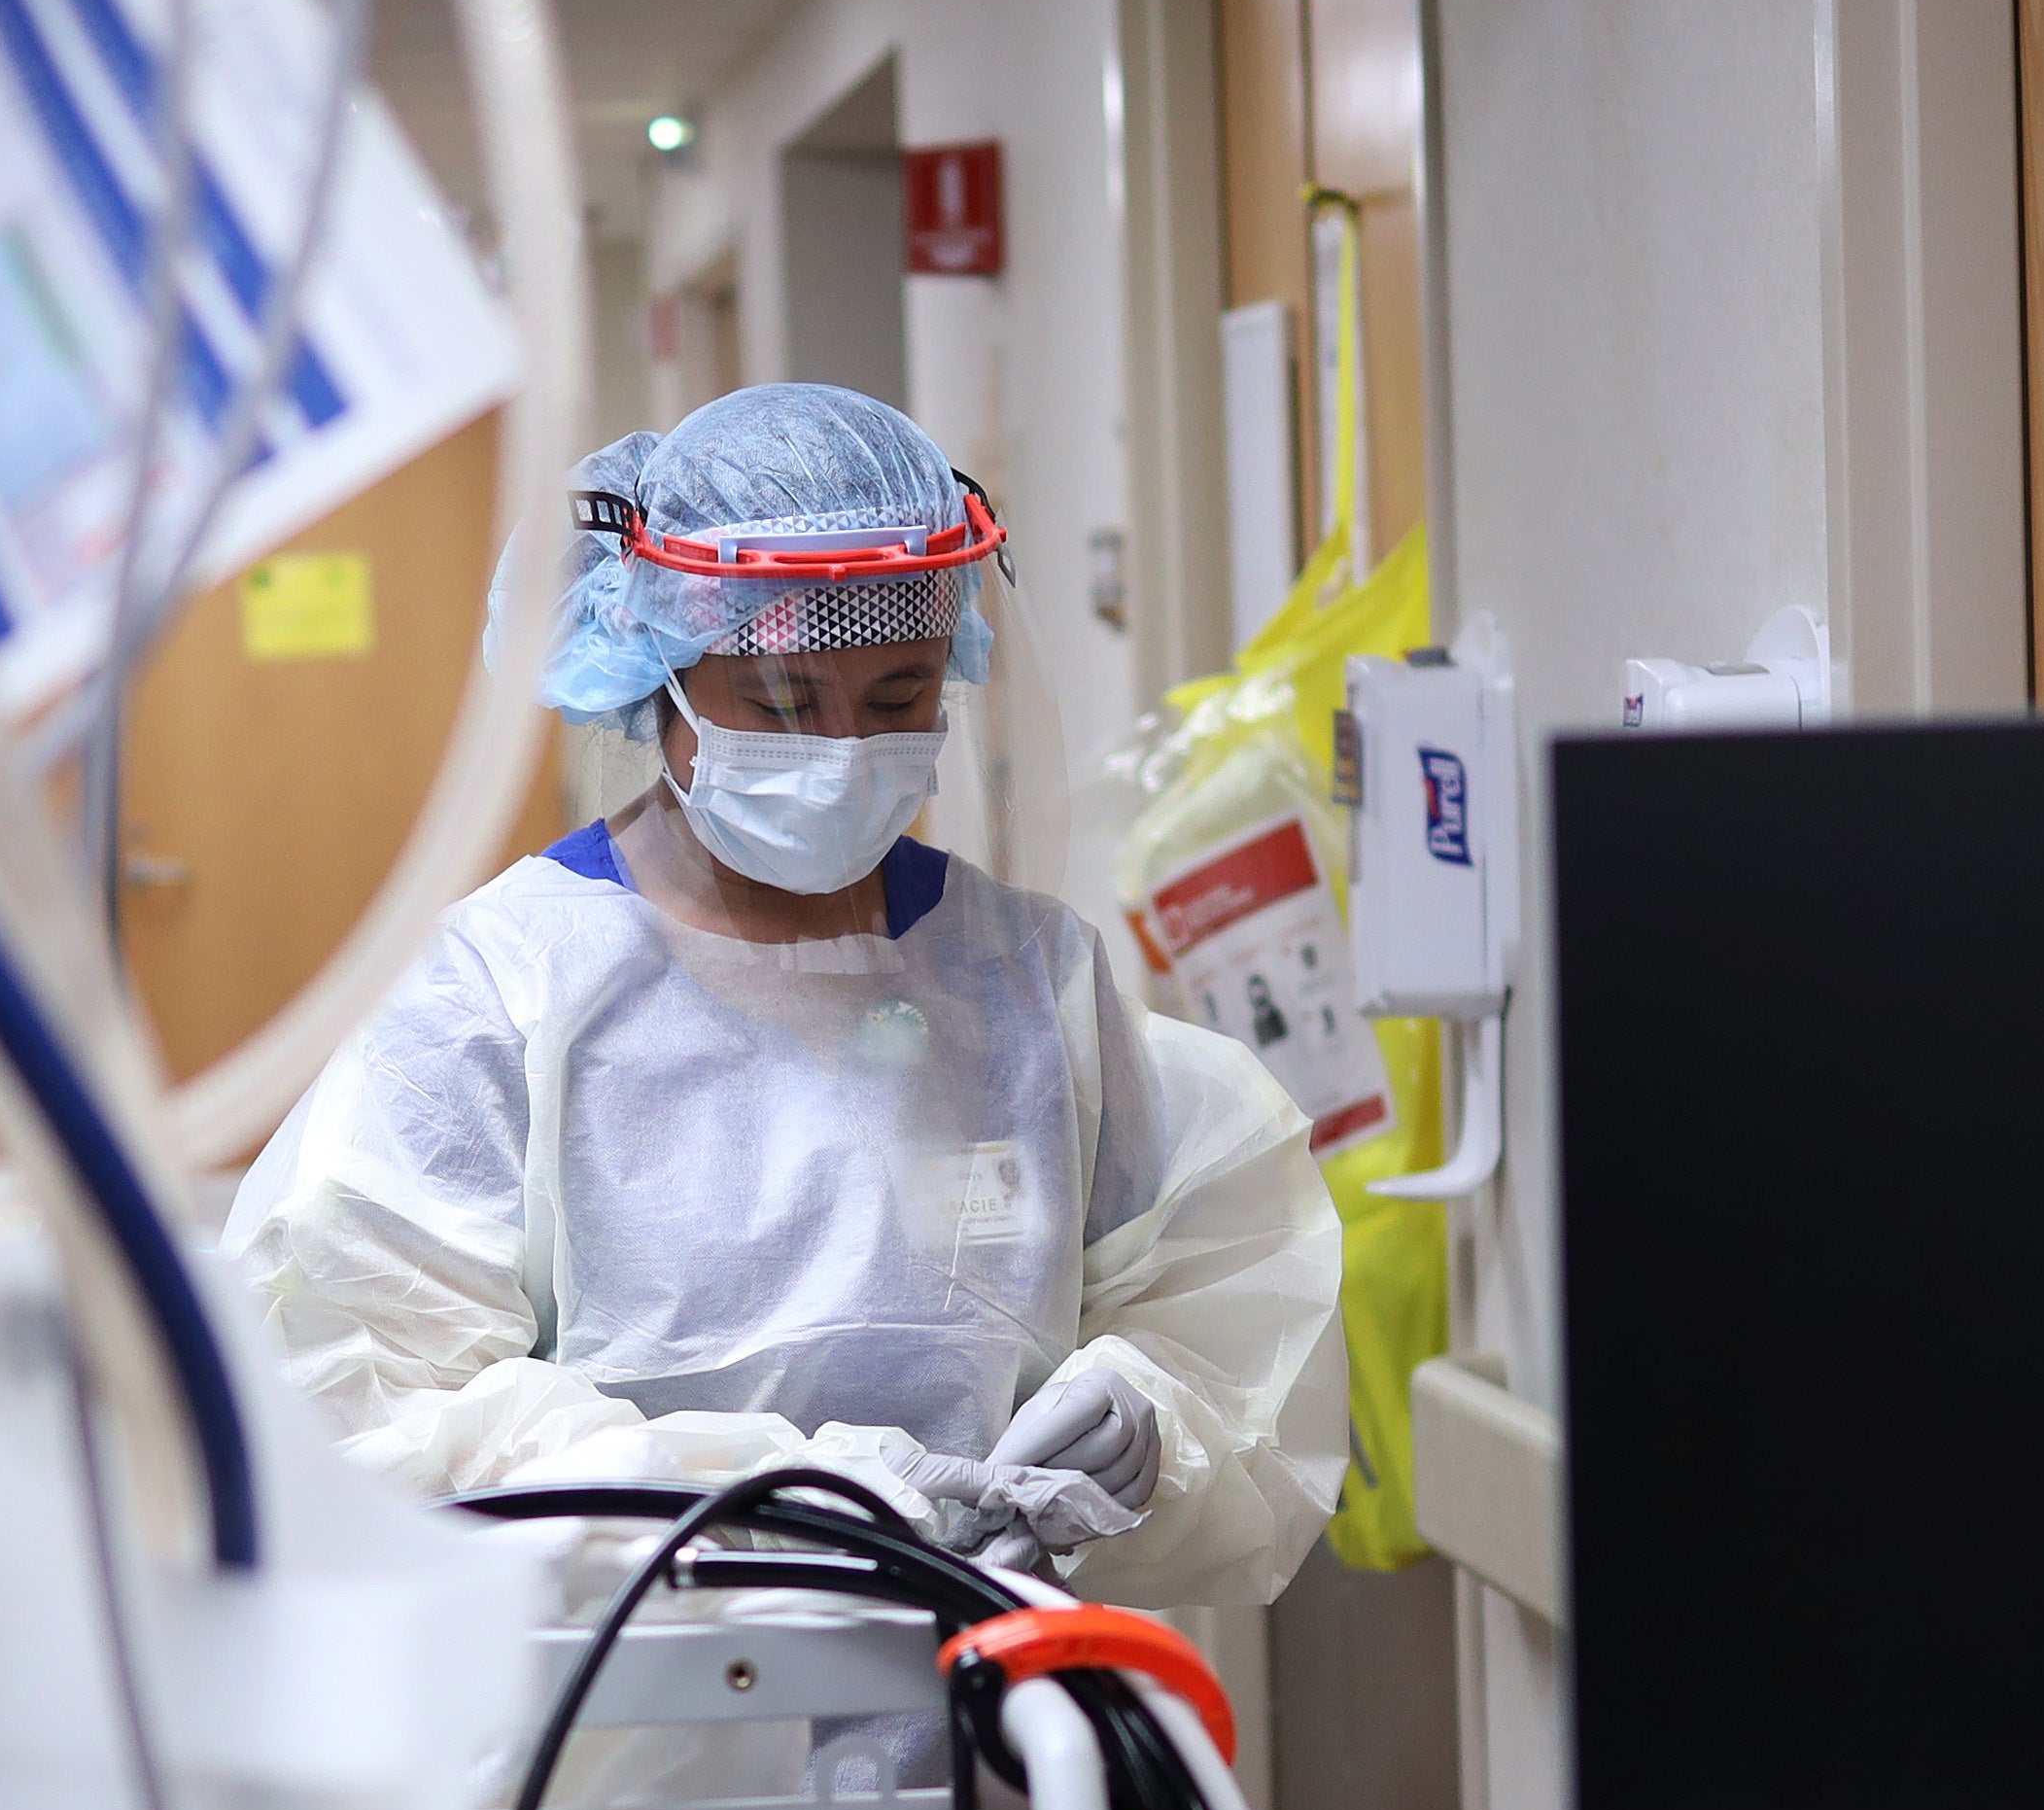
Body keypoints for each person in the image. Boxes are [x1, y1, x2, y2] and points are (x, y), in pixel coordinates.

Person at [228, 384, 1344, 1608]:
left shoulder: (1030, 981)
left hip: (983, 1711)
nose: (842, 748)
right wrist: (799, 1502)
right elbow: (371, 1396)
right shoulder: (502, 989)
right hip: (636, 1729)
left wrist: (1147, 1406)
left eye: (899, 698)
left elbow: (1212, 1294)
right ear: (656, 667)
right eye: (780, 702)